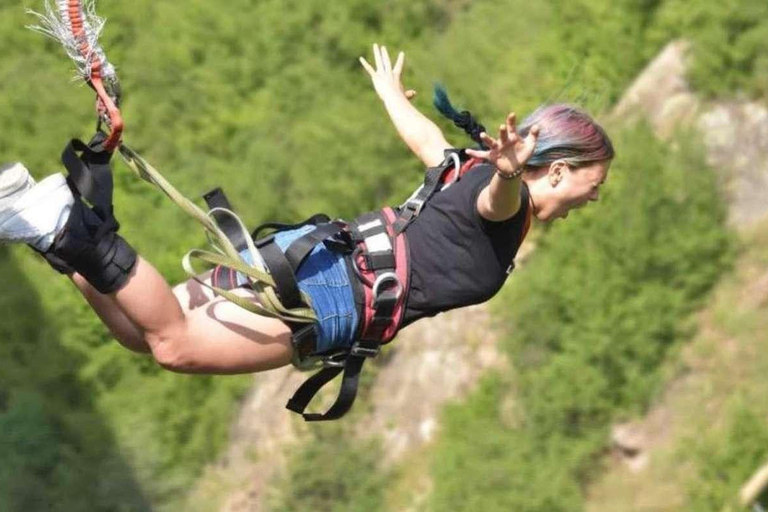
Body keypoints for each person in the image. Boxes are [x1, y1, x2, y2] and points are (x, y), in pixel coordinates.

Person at [0, 44, 613, 379]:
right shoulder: (501, 197)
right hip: (334, 291)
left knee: (142, 335)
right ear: (556, 170)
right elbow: (495, 202)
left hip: (319, 257)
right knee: (175, 346)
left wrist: (391, 101)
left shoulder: (467, 165)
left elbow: (429, 144)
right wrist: (508, 172)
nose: (592, 199)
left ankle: (56, 233)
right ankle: (61, 220)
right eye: (593, 185)